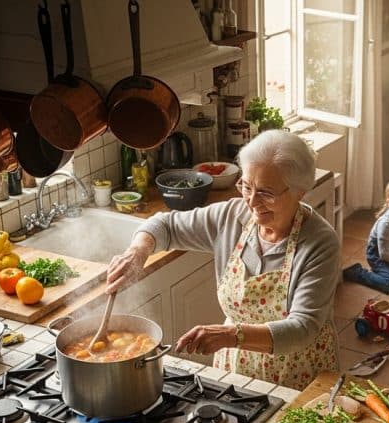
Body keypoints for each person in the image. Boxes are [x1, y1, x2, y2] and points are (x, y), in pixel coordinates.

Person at [105, 130, 341, 390]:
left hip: (298, 373)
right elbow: (164, 225)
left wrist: (231, 335)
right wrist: (138, 251)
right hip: (236, 367)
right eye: (246, 186)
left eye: (266, 192)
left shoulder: (320, 243)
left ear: (300, 191)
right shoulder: (231, 216)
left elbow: (302, 328)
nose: (251, 201)